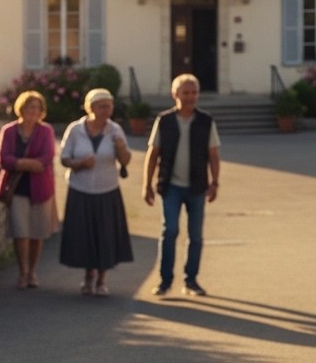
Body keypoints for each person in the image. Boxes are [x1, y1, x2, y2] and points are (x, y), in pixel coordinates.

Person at [143, 73, 221, 298]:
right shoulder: (164, 120)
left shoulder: (206, 121)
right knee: (170, 231)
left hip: (197, 186)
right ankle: (165, 281)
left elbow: (213, 154)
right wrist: (146, 184)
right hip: (171, 186)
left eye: (194, 92)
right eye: (186, 92)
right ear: (175, 94)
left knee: (195, 235)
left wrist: (215, 182)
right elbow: (153, 153)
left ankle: (191, 280)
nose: (190, 97)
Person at [58, 88, 134, 296]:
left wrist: (120, 147)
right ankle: (87, 276)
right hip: (80, 190)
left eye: (109, 106)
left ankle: (101, 280)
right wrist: (80, 163)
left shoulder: (115, 130)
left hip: (107, 190)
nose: (106, 110)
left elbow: (126, 161)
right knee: (84, 235)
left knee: (105, 235)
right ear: (90, 108)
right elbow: (64, 158)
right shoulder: (75, 130)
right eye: (102, 106)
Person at [0, 90, 59, 289]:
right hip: (17, 188)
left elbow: (48, 156)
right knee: (20, 231)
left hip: (40, 188)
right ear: (20, 109)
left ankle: (32, 272)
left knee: (36, 233)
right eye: (29, 107)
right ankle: (22, 272)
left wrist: (24, 163)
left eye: (36, 108)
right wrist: (24, 163)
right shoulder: (9, 131)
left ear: (41, 111)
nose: (32, 111)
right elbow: (2, 158)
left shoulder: (46, 131)